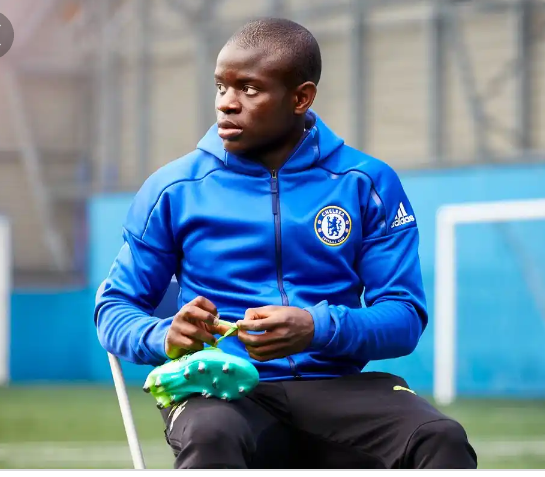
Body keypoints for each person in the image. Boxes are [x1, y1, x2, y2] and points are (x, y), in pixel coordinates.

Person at [95, 17, 477, 469]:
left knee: (439, 438)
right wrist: (163, 335)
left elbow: (404, 317)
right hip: (223, 393)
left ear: (301, 98)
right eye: (221, 87)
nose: (226, 104)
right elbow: (114, 308)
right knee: (212, 434)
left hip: (337, 387)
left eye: (249, 89)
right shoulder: (173, 189)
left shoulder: (366, 183)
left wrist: (317, 328)